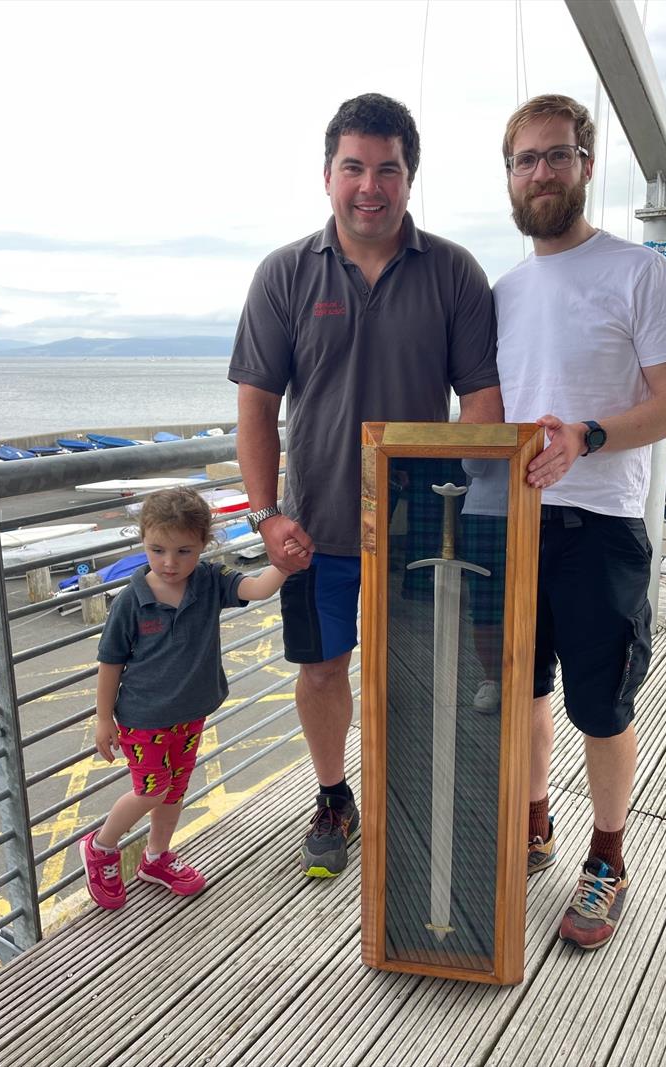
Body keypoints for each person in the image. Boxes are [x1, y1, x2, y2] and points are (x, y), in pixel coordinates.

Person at [229, 92, 503, 879]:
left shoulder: (454, 272)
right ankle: (333, 796)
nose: (370, 186)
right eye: (354, 168)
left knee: (419, 672)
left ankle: (415, 794)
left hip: (425, 532)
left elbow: (482, 407)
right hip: (313, 531)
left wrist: (484, 505)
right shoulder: (283, 273)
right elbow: (255, 409)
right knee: (322, 670)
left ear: (410, 178)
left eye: (388, 169)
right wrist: (265, 513)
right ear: (328, 176)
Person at [495, 94, 666, 949]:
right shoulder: (502, 290)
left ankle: (608, 858)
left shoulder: (637, 273)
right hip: (512, 522)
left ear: (585, 163)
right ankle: (535, 825)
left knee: (603, 707)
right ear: (509, 177)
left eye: (556, 155)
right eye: (524, 159)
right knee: (525, 691)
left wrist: (590, 434)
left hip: (602, 527)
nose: (541, 172)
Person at [80, 486, 301, 910]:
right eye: (157, 549)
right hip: (143, 717)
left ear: (205, 544)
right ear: (142, 540)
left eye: (183, 551)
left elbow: (256, 588)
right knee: (150, 789)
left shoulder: (209, 581)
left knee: (175, 790)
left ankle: (156, 858)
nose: (169, 562)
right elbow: (110, 662)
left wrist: (285, 565)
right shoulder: (131, 600)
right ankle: (102, 847)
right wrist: (103, 718)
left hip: (189, 714)